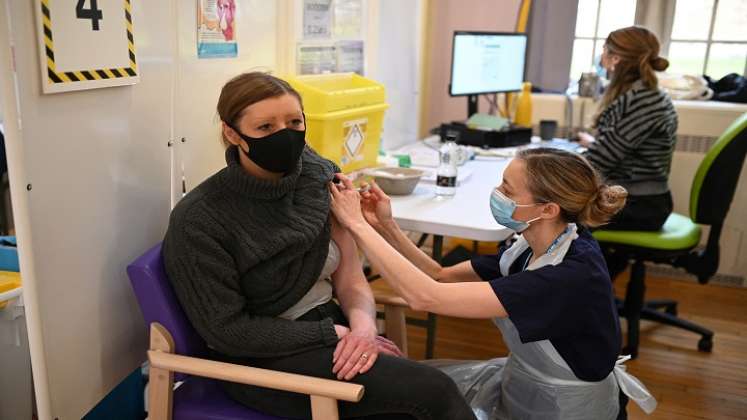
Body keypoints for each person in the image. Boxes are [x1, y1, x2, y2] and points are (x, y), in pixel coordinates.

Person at [162, 72, 476, 420]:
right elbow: (229, 332)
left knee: (407, 409)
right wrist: (334, 332)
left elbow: (351, 280)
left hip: (334, 329)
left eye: (294, 122)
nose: (285, 134)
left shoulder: (316, 178)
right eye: (265, 127)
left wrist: (364, 328)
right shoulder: (201, 218)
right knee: (435, 392)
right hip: (262, 359)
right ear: (231, 133)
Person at [329, 148, 657, 419]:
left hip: (565, 408)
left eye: (508, 190)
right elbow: (439, 275)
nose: (497, 195)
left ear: (547, 209)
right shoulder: (533, 244)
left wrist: (357, 226)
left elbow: (426, 297)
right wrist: (386, 226)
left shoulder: (567, 276)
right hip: (524, 382)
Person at [578, 26, 677, 233]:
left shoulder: (641, 101)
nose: (601, 56)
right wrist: (594, 145)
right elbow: (619, 146)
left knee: (553, 216)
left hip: (640, 205)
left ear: (615, 59)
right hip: (637, 199)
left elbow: (598, 162)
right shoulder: (646, 94)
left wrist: (551, 165)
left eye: (605, 50)